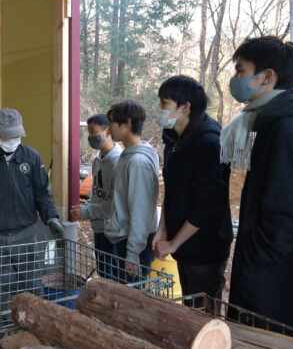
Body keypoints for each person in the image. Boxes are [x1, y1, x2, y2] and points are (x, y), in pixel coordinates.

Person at [223, 36, 293, 340]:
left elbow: (291, 213)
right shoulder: (276, 121)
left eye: (241, 70)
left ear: (267, 76)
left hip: (277, 281)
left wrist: (255, 262)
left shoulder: (288, 128)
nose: (236, 79)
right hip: (275, 272)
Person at [0, 108, 64, 311]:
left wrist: (51, 217)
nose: (14, 139)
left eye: (17, 134)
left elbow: (42, 193)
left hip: (25, 235)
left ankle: (34, 329)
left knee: (33, 288)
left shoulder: (31, 157)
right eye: (9, 135)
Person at [152, 76, 233, 306]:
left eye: (164, 103)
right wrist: (162, 230)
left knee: (202, 315)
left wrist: (174, 243)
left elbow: (207, 205)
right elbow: (172, 191)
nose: (159, 109)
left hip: (205, 248)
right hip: (182, 243)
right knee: (189, 307)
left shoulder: (209, 141)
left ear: (185, 107)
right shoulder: (173, 141)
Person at [104, 100, 160, 280]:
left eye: (112, 122)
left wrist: (133, 252)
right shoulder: (127, 156)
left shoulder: (138, 162)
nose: (109, 128)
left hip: (135, 243)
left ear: (127, 123)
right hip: (126, 239)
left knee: (133, 299)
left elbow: (141, 210)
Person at [78, 113, 123, 279]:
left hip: (113, 231)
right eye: (89, 132)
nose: (90, 136)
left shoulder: (118, 161)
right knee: (103, 273)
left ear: (108, 131)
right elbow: (96, 192)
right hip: (99, 228)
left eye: (93, 131)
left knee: (115, 277)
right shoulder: (97, 159)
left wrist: (86, 212)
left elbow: (114, 204)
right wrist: (86, 207)